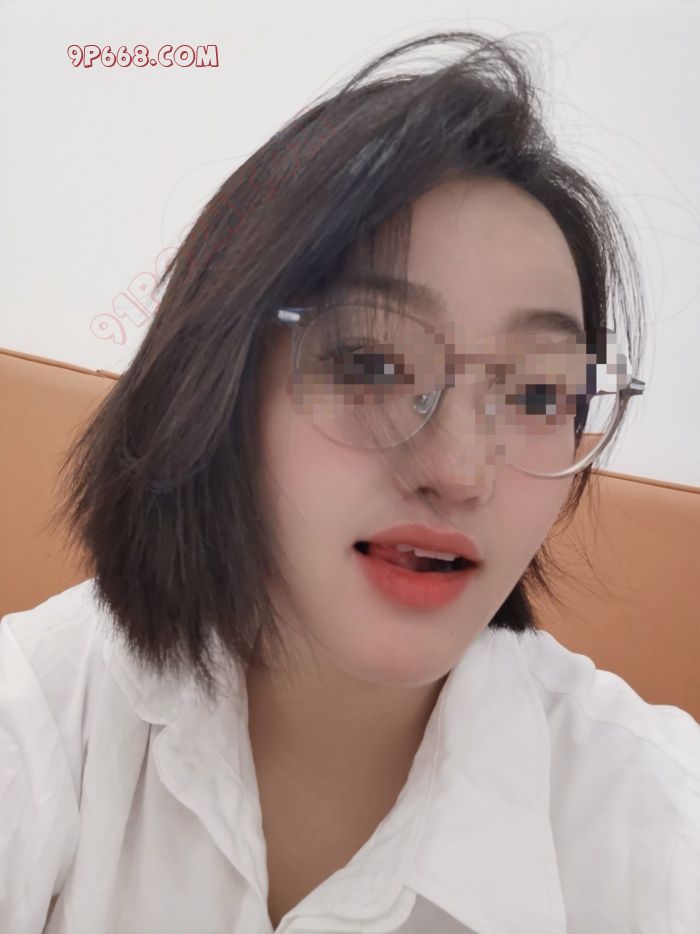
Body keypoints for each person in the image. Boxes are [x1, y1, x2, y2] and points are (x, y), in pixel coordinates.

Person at [1, 29, 698, 934]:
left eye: (535, 392)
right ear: (220, 384)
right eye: (373, 366)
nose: (459, 472)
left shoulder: (652, 821)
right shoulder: (45, 721)